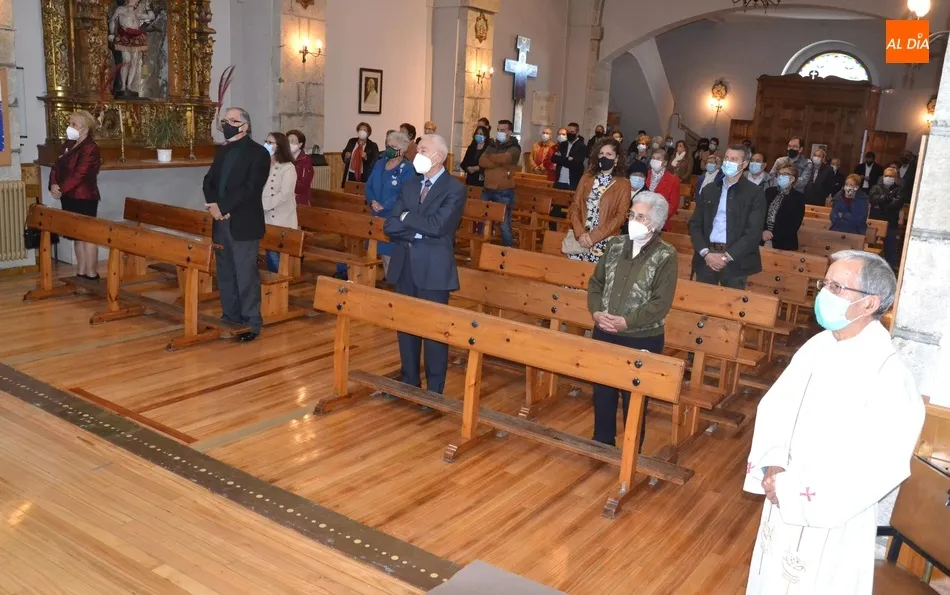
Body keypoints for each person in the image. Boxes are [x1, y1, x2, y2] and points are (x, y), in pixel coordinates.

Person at [744, 250, 923, 595]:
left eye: (837, 287)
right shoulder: (818, 345)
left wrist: (795, 491)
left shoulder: (888, 373)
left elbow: (882, 463)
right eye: (825, 283)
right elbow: (777, 407)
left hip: (830, 519)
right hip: (780, 495)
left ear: (870, 303)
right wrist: (773, 464)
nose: (824, 294)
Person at [587, 191, 676, 448]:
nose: (633, 220)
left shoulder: (665, 255)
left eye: (641, 216)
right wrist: (596, 312)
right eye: (632, 214)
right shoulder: (615, 245)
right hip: (604, 331)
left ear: (656, 223)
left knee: (633, 398)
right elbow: (596, 283)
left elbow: (660, 303)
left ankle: (631, 450)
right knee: (603, 392)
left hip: (641, 337)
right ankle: (602, 442)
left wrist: (626, 322)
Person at [383, 134, 467, 395]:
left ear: (438, 157)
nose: (416, 153)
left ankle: (434, 391)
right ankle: (409, 382)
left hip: (433, 270)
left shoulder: (454, 189)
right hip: (405, 265)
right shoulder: (410, 185)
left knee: (434, 333)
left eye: (422, 149)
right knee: (406, 328)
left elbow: (439, 226)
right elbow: (390, 225)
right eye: (417, 149)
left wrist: (408, 218)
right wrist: (414, 226)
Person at [202, 107, 270, 343]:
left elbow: (251, 188)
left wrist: (224, 207)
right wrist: (213, 205)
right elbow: (209, 180)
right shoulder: (223, 151)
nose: (227, 124)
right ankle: (230, 316)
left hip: (243, 221)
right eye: (225, 120)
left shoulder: (258, 153)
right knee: (225, 273)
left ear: (245, 126)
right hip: (220, 222)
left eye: (233, 120)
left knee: (245, 274)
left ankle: (251, 322)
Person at [688, 144, 765, 289]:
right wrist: (706, 254)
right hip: (706, 257)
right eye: (727, 158)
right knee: (702, 307)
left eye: (734, 159)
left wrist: (726, 257)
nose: (728, 162)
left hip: (736, 261)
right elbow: (695, 224)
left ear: (744, 164)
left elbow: (753, 233)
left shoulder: (754, 193)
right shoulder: (709, 189)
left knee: (730, 307)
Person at [49, 110, 102, 280]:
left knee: (88, 237)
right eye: (70, 123)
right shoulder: (68, 144)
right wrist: (53, 184)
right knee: (77, 236)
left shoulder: (91, 148)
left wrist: (62, 188)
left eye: (74, 124)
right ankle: (81, 272)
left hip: (84, 197)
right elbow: (56, 166)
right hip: (69, 197)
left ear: (85, 128)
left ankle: (92, 274)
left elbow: (80, 174)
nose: (69, 127)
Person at [567, 138, 632, 263]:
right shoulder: (587, 178)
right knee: (573, 277)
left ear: (616, 159)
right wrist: (580, 233)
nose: (604, 157)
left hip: (604, 240)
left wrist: (594, 237)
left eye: (609, 154)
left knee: (596, 280)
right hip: (580, 238)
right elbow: (575, 206)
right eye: (601, 154)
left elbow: (620, 216)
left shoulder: (624, 184)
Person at [366, 131, 415, 277]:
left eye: (393, 146)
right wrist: (372, 201)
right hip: (376, 214)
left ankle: (395, 286)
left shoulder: (407, 168)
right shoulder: (380, 163)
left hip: (392, 216)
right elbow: (369, 185)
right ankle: (389, 283)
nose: (389, 148)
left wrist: (384, 205)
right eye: (388, 145)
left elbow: (403, 193)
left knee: (392, 257)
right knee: (381, 254)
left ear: (402, 149)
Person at [479, 120, 521, 247]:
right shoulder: (492, 144)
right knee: (482, 220)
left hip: (503, 190)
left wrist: (490, 157)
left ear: (509, 132)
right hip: (487, 188)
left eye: (502, 130)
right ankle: (482, 251)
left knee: (504, 224)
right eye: (498, 130)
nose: (499, 133)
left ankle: (507, 252)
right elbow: (481, 161)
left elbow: (506, 158)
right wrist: (498, 161)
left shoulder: (514, 147)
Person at [261, 132, 298, 273]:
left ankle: (280, 282)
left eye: (271, 143)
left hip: (281, 216)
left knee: (276, 253)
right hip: (265, 216)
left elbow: (285, 194)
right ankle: (274, 280)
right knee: (269, 251)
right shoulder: (264, 164)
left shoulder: (288, 167)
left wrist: (265, 205)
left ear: (280, 146)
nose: (267, 145)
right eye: (266, 141)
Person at [869, 167, 907, 268]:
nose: (888, 178)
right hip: (876, 223)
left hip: (891, 223)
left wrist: (881, 203)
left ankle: (890, 269)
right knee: (872, 248)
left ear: (896, 178)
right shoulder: (876, 187)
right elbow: (873, 199)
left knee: (890, 250)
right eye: (886, 176)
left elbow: (896, 204)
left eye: (891, 176)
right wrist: (887, 198)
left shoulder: (899, 189)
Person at [761, 164, 805, 251]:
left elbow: (794, 224)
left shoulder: (798, 198)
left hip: (783, 242)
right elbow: (760, 213)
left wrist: (772, 236)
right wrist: (764, 231)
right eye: (779, 174)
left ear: (792, 179)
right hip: (762, 237)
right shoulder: (769, 192)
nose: (780, 176)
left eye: (784, 174)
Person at [645, 147, 679, 229]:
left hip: (660, 223)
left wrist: (657, 217)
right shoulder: (645, 174)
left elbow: (673, 205)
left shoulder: (673, 180)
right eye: (653, 158)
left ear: (664, 163)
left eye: (658, 158)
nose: (654, 160)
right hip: (642, 218)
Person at [341, 122, 379, 187]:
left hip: (364, 176)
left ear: (368, 133)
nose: (362, 132)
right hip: (350, 174)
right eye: (360, 130)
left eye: (364, 130)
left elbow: (375, 161)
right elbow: (344, 155)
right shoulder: (352, 141)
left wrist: (366, 157)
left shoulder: (372, 145)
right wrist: (346, 156)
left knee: (362, 195)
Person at [552, 123, 587, 191]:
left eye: (572, 132)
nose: (569, 134)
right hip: (559, 180)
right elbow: (554, 158)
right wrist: (567, 159)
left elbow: (575, 164)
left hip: (572, 182)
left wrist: (561, 159)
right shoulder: (563, 144)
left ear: (577, 133)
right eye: (568, 132)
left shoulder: (582, 146)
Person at [286, 129, 314, 205]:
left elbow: (303, 185)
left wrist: (286, 184)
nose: (289, 144)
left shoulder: (305, 160)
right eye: (287, 141)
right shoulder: (284, 158)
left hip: (299, 200)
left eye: (292, 141)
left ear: (300, 144)